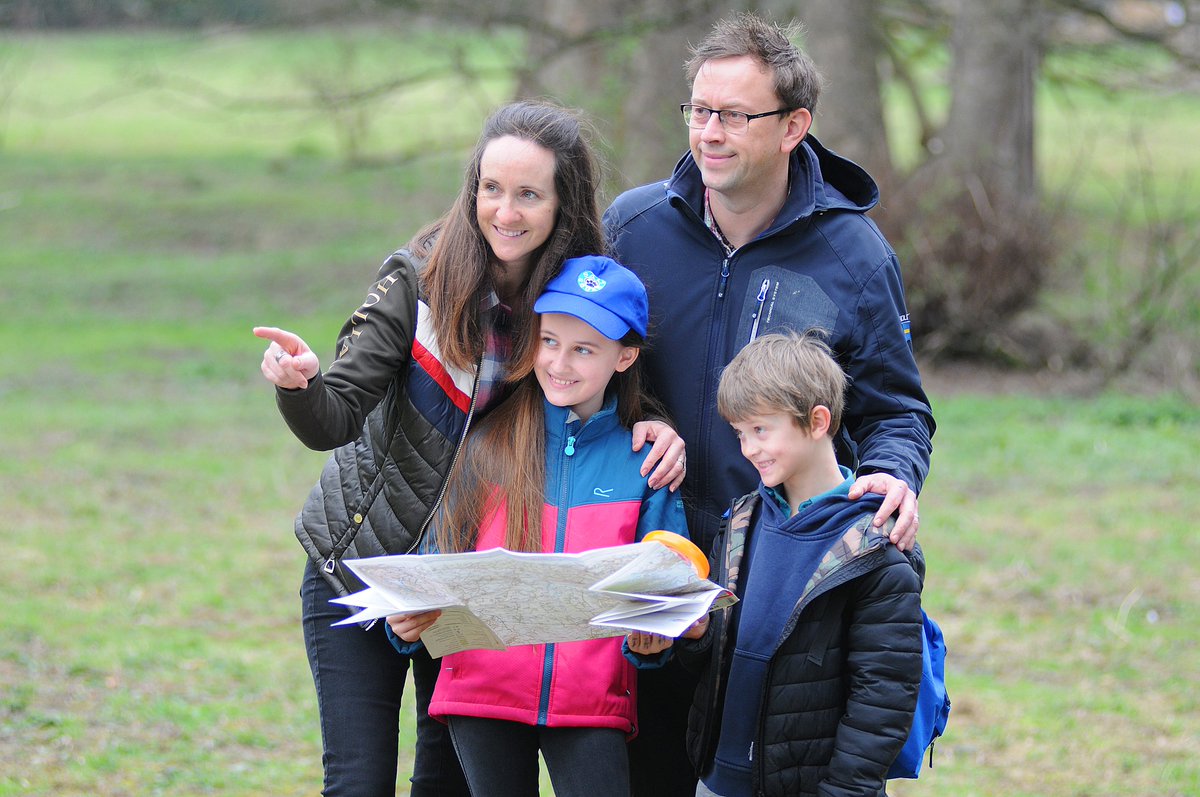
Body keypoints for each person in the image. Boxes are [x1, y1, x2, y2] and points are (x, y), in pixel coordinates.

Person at [253, 102, 685, 797]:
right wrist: (301, 385)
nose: (504, 210)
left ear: (563, 204)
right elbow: (330, 421)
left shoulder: (570, 293)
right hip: (364, 565)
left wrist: (654, 422)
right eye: (490, 188)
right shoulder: (416, 280)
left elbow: (604, 376)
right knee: (359, 781)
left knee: (445, 783)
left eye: (527, 193)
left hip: (469, 580)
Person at [603, 14, 935, 793]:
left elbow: (897, 408)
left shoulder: (854, 254)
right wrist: (636, 411)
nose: (709, 133)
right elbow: (584, 369)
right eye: (698, 110)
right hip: (659, 574)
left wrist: (893, 470)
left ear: (795, 126)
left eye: (734, 115)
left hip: (788, 597)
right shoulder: (632, 228)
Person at [387, 255, 690, 797]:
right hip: (481, 695)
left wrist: (656, 641)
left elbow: (668, 586)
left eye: (583, 349)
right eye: (550, 341)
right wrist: (409, 620)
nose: (560, 363)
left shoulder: (646, 463)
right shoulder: (486, 443)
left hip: (593, 703)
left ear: (624, 357)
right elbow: (434, 564)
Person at [628, 331, 924, 797]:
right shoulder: (742, 522)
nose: (748, 449)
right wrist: (696, 636)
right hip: (716, 781)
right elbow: (723, 653)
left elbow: (881, 703)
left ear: (818, 420)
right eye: (741, 434)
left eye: (761, 430)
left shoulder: (875, 550)